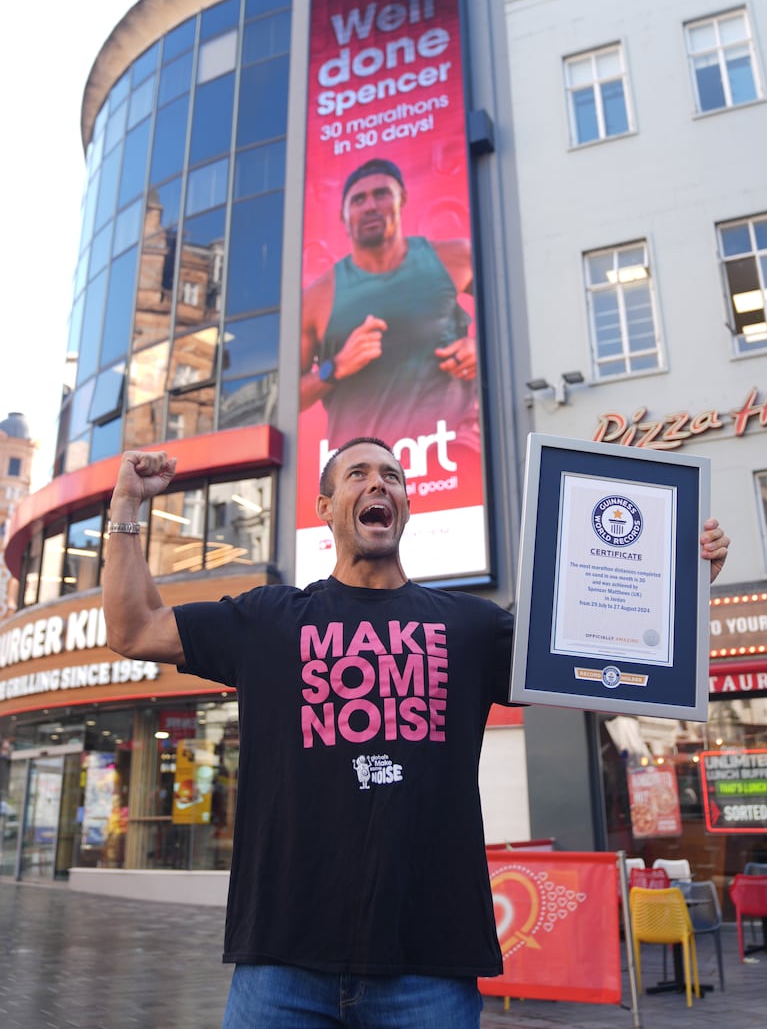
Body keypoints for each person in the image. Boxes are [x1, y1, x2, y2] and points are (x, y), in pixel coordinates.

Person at [102, 441, 731, 1028]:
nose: (379, 483)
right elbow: (135, 629)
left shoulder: (473, 627)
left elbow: (601, 661)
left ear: (405, 505)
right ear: (326, 509)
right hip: (282, 964)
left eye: (393, 476)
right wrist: (127, 504)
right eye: (358, 475)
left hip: (428, 967)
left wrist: (678, 573)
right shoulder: (268, 621)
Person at [300, 159, 480, 454]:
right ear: (343, 215)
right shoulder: (316, 298)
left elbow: (509, 315)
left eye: (381, 194)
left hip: (448, 461)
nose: (370, 206)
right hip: (361, 475)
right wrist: (336, 367)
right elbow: (285, 399)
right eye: (358, 199)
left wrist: (478, 348)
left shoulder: (457, 258)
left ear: (402, 200)